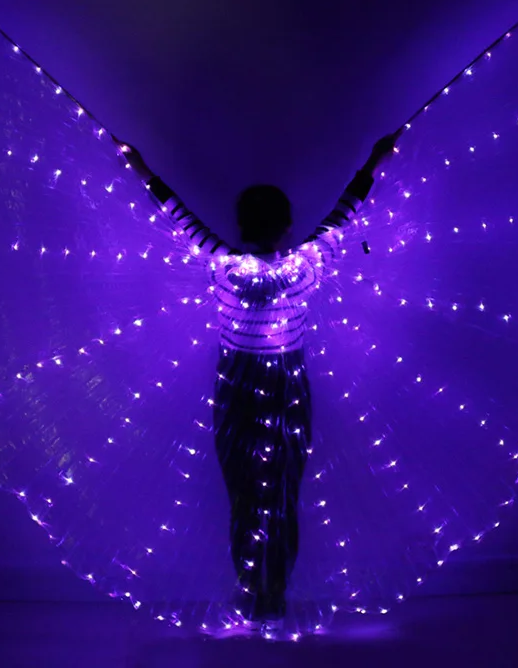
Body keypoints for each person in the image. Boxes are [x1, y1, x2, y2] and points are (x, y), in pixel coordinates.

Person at [111, 131, 400, 629]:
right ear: (287, 225)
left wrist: (138, 166)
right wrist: (376, 157)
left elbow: (175, 215)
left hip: (237, 386)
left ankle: (251, 594)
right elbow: (347, 211)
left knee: (243, 493)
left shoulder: (221, 266)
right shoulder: (309, 265)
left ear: (241, 225)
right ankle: (274, 598)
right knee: (283, 492)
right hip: (287, 385)